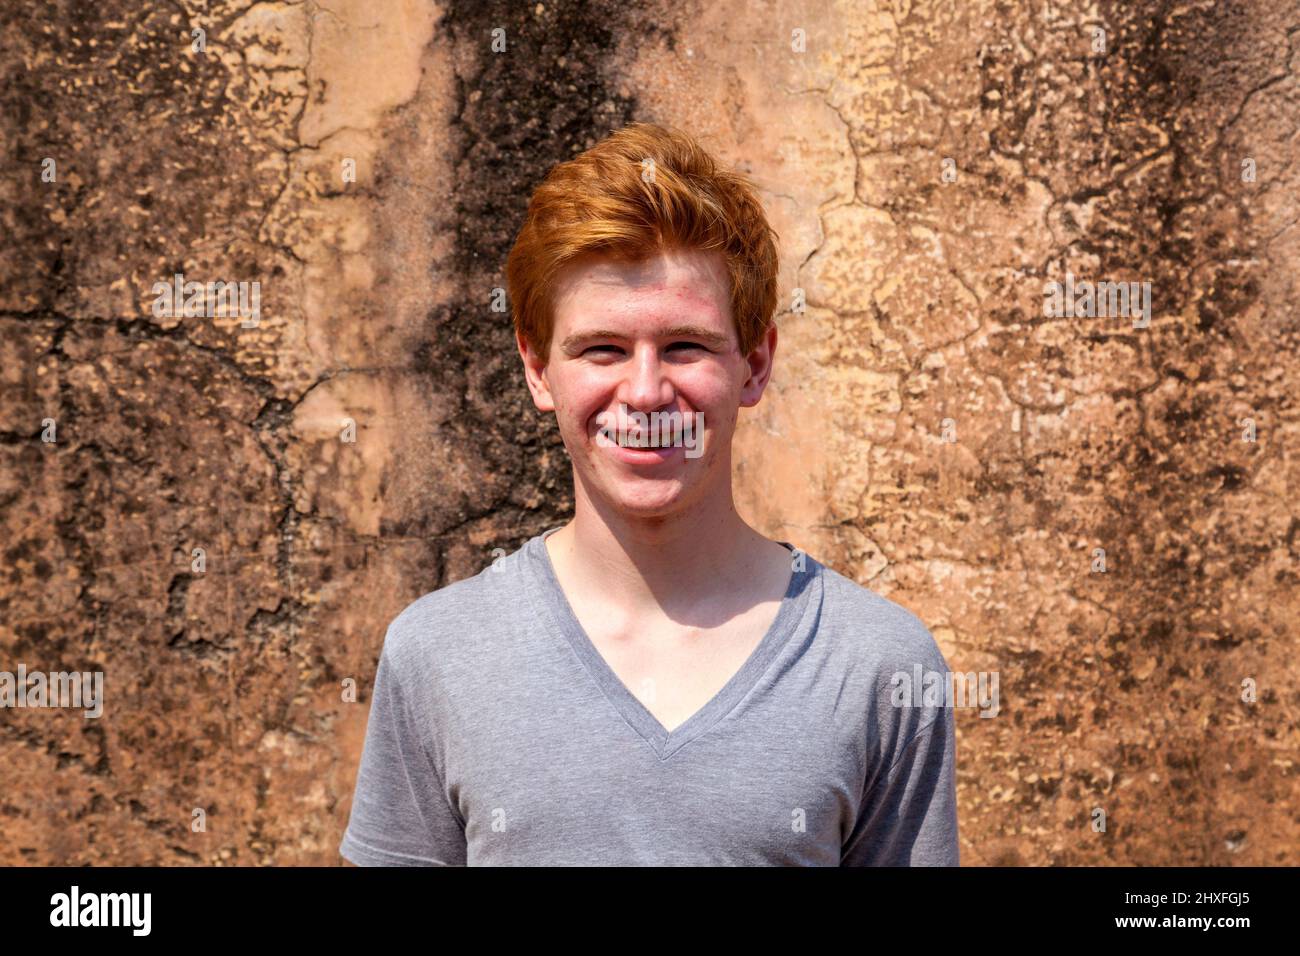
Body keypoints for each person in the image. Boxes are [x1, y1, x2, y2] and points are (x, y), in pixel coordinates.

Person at [339, 122, 959, 866]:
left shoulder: (879, 665)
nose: (643, 392)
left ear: (755, 365)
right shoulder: (436, 655)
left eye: (685, 347)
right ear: (538, 370)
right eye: (601, 349)